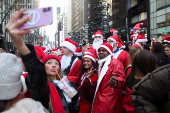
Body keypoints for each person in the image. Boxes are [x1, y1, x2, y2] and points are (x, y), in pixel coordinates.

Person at [5, 8, 68, 113]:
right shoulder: (27, 80)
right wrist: (20, 46)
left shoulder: (64, 83)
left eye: (56, 63)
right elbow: (37, 77)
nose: (53, 65)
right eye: (49, 63)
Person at [92, 43, 125, 113]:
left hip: (110, 99)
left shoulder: (115, 63)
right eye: (99, 50)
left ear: (109, 52)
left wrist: (116, 82)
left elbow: (121, 79)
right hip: (99, 97)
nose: (101, 52)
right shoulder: (99, 63)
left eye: (104, 50)